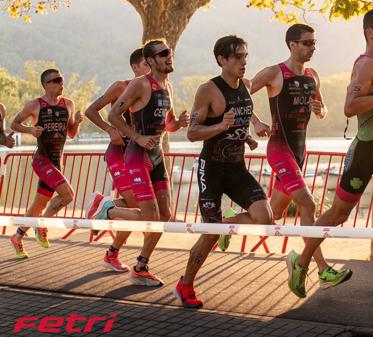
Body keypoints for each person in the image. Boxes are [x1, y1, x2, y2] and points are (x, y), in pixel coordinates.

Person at [286, 8, 373, 300]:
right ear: (370, 33)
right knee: (338, 214)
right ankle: (301, 264)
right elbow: (350, 107)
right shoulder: (366, 65)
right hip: (364, 154)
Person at [173, 35, 272, 308]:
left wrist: (252, 130)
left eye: (245, 56)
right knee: (210, 232)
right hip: (212, 169)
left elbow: (243, 112)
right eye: (237, 57)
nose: (243, 62)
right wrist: (220, 127)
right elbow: (192, 133)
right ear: (222, 60)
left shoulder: (247, 85)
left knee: (265, 218)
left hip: (236, 168)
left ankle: (228, 225)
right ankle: (185, 285)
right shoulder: (208, 91)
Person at [249, 24, 351, 287]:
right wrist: (256, 122)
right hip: (279, 148)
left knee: (273, 215)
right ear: (292, 45)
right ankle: (319, 268)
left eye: (314, 43)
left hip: (299, 151)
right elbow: (238, 96)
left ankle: (232, 221)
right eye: (307, 43)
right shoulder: (274, 73)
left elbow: (323, 109)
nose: (312, 48)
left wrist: (320, 110)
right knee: (307, 204)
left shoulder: (313, 75)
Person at [107, 39, 190, 286]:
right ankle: (107, 208)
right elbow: (113, 115)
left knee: (164, 216)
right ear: (151, 61)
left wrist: (181, 123)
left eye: (170, 52)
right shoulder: (140, 84)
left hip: (157, 157)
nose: (169, 56)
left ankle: (141, 266)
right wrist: (137, 137)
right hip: (137, 155)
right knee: (149, 216)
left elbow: (168, 124)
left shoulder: (169, 87)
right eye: (163, 54)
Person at [84, 48, 150, 272]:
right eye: (146, 64)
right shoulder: (121, 87)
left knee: (139, 209)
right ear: (135, 67)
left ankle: (104, 207)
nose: (150, 68)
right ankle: (106, 208)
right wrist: (109, 129)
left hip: (137, 156)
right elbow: (91, 111)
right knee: (139, 209)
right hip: (118, 153)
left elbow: (163, 125)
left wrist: (177, 124)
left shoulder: (154, 90)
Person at [9, 69, 83, 258]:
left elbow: (72, 133)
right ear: (46, 85)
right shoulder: (35, 105)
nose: (61, 83)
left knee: (37, 205)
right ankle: (41, 225)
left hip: (57, 162)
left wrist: (78, 122)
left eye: (62, 79)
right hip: (42, 160)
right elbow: (14, 124)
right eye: (56, 80)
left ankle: (17, 237)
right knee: (68, 195)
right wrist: (30, 129)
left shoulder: (69, 104)